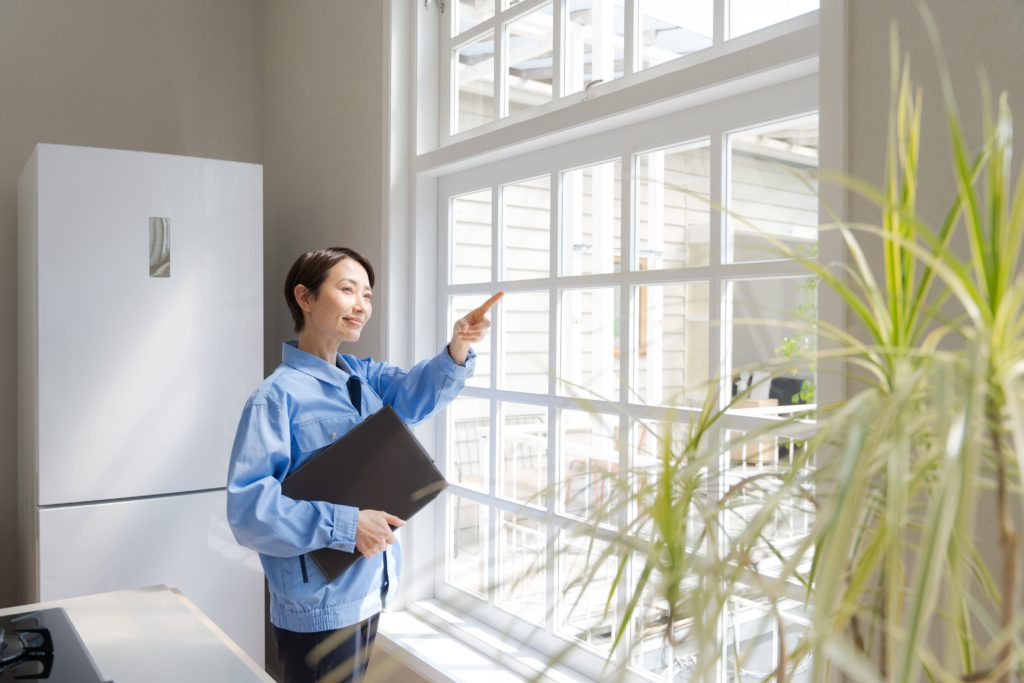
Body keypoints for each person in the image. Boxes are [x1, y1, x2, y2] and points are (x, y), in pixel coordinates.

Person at [226, 246, 501, 683]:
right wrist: (346, 525)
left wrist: (459, 346)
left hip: (368, 589)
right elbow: (249, 514)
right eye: (347, 289)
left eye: (368, 295)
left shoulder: (364, 378)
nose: (361, 306)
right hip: (317, 608)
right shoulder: (274, 399)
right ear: (305, 297)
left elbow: (416, 395)